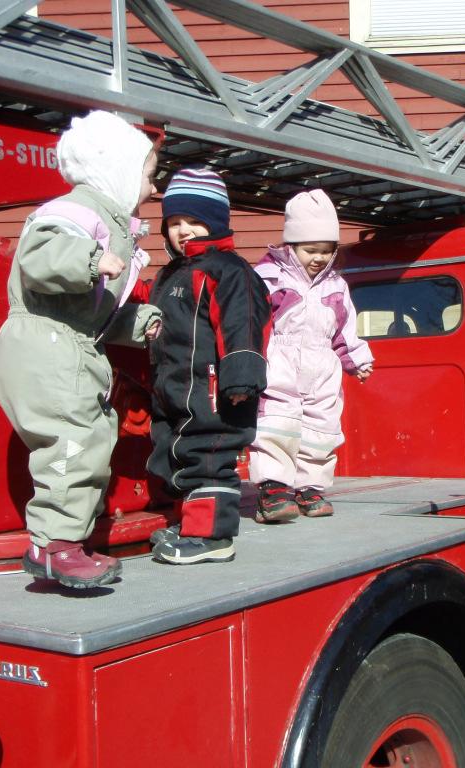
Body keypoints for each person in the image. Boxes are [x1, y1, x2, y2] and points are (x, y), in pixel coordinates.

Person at [0, 110, 161, 590]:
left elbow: (96, 311)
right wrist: (88, 259)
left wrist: (141, 322)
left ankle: (64, 542)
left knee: (87, 438)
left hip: (69, 343)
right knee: (71, 439)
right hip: (48, 344)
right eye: (148, 176)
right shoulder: (77, 213)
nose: (152, 189)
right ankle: (53, 547)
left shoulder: (110, 223)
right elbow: (39, 257)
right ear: (118, 171)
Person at [146, 168, 271, 564]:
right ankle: (190, 524)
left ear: (216, 222)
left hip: (217, 388)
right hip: (175, 386)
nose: (183, 231)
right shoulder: (170, 274)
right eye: (174, 223)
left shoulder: (230, 271)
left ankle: (214, 536)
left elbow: (243, 323)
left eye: (195, 222)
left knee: (209, 453)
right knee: (174, 451)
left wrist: (242, 376)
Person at [248, 189, 373, 521]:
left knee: (322, 427)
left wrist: (357, 359)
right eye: (310, 250)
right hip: (280, 360)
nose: (318, 258)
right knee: (277, 423)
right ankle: (274, 489)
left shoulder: (336, 285)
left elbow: (346, 327)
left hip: (322, 366)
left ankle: (310, 488)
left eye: (326, 250)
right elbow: (254, 321)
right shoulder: (270, 277)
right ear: (291, 246)